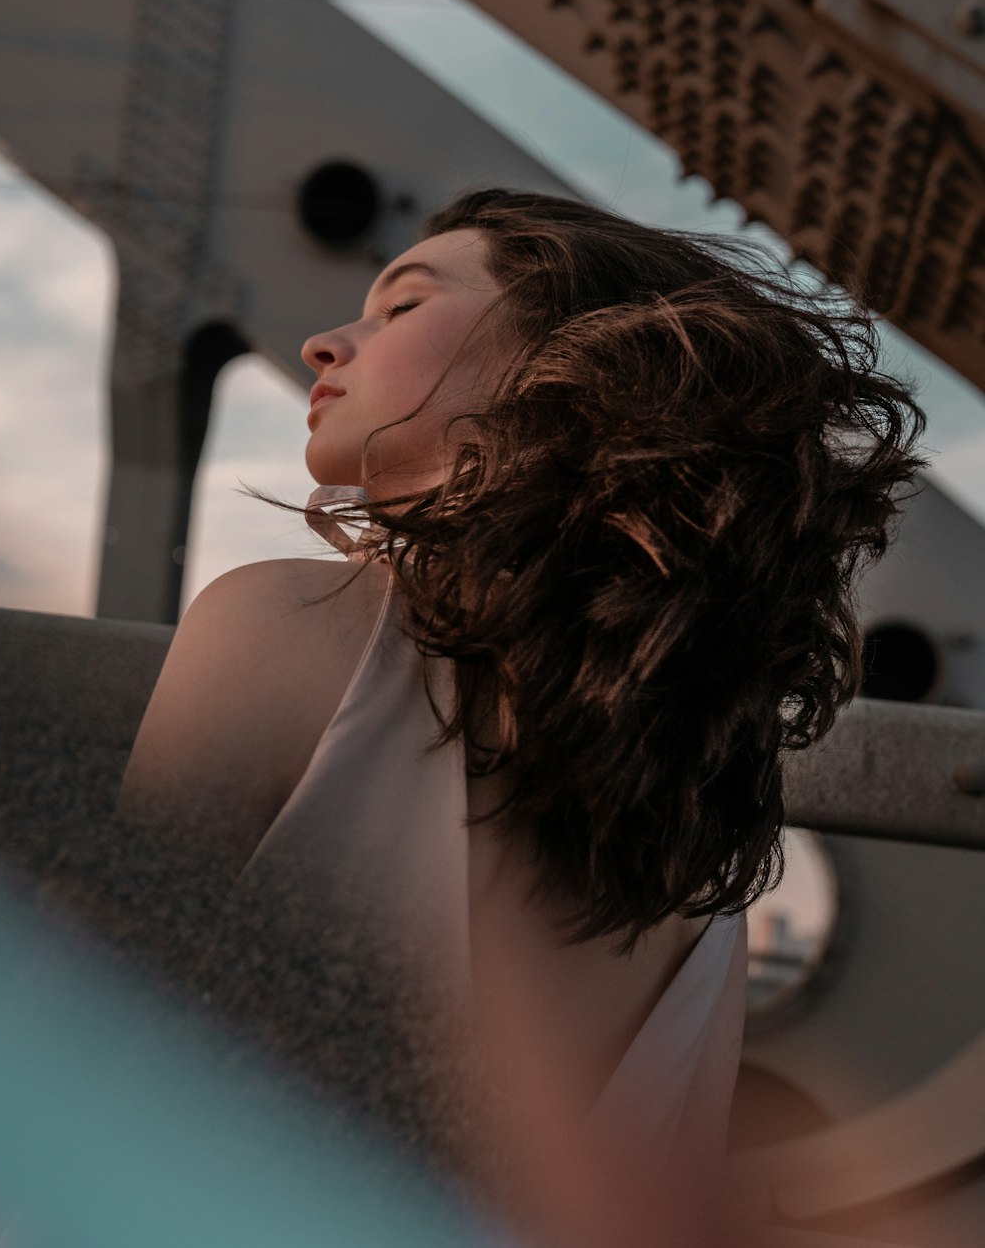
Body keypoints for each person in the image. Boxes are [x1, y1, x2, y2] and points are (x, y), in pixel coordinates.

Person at [108, 186, 928, 1246]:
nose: (322, 342)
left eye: (401, 307)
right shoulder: (709, 817)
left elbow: (103, 1066)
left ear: (567, 371)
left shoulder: (287, 625)